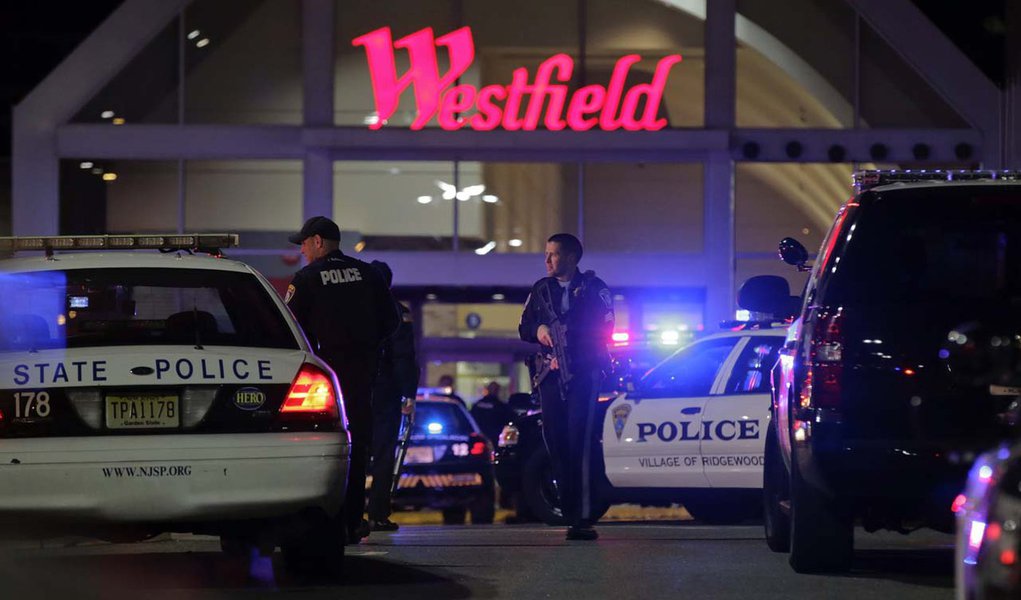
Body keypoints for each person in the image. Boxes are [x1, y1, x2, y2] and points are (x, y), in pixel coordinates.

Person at [285, 216, 399, 544]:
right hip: (362, 377)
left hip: (322, 382)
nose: (303, 251)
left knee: (320, 446)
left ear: (318, 241)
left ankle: (322, 521)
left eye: (304, 243)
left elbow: (291, 330)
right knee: (358, 447)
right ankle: (352, 521)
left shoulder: (306, 280)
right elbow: (391, 322)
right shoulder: (369, 274)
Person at [518, 233, 614, 541]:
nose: (547, 260)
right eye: (546, 253)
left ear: (572, 257)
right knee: (556, 443)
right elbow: (524, 327)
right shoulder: (540, 289)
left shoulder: (594, 289)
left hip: (583, 373)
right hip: (549, 376)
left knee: (579, 443)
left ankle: (583, 517)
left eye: (554, 254)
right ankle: (569, 512)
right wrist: (540, 330)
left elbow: (605, 327)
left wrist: (571, 346)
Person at [366, 260, 420, 533]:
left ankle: (346, 515)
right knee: (384, 453)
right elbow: (404, 357)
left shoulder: (352, 310)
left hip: (354, 388)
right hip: (385, 391)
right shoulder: (399, 313)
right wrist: (409, 394)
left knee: (352, 452)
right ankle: (377, 513)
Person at [470, 381, 515, 445]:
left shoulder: (477, 405)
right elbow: (510, 420)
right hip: (495, 439)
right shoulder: (501, 406)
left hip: (479, 437)